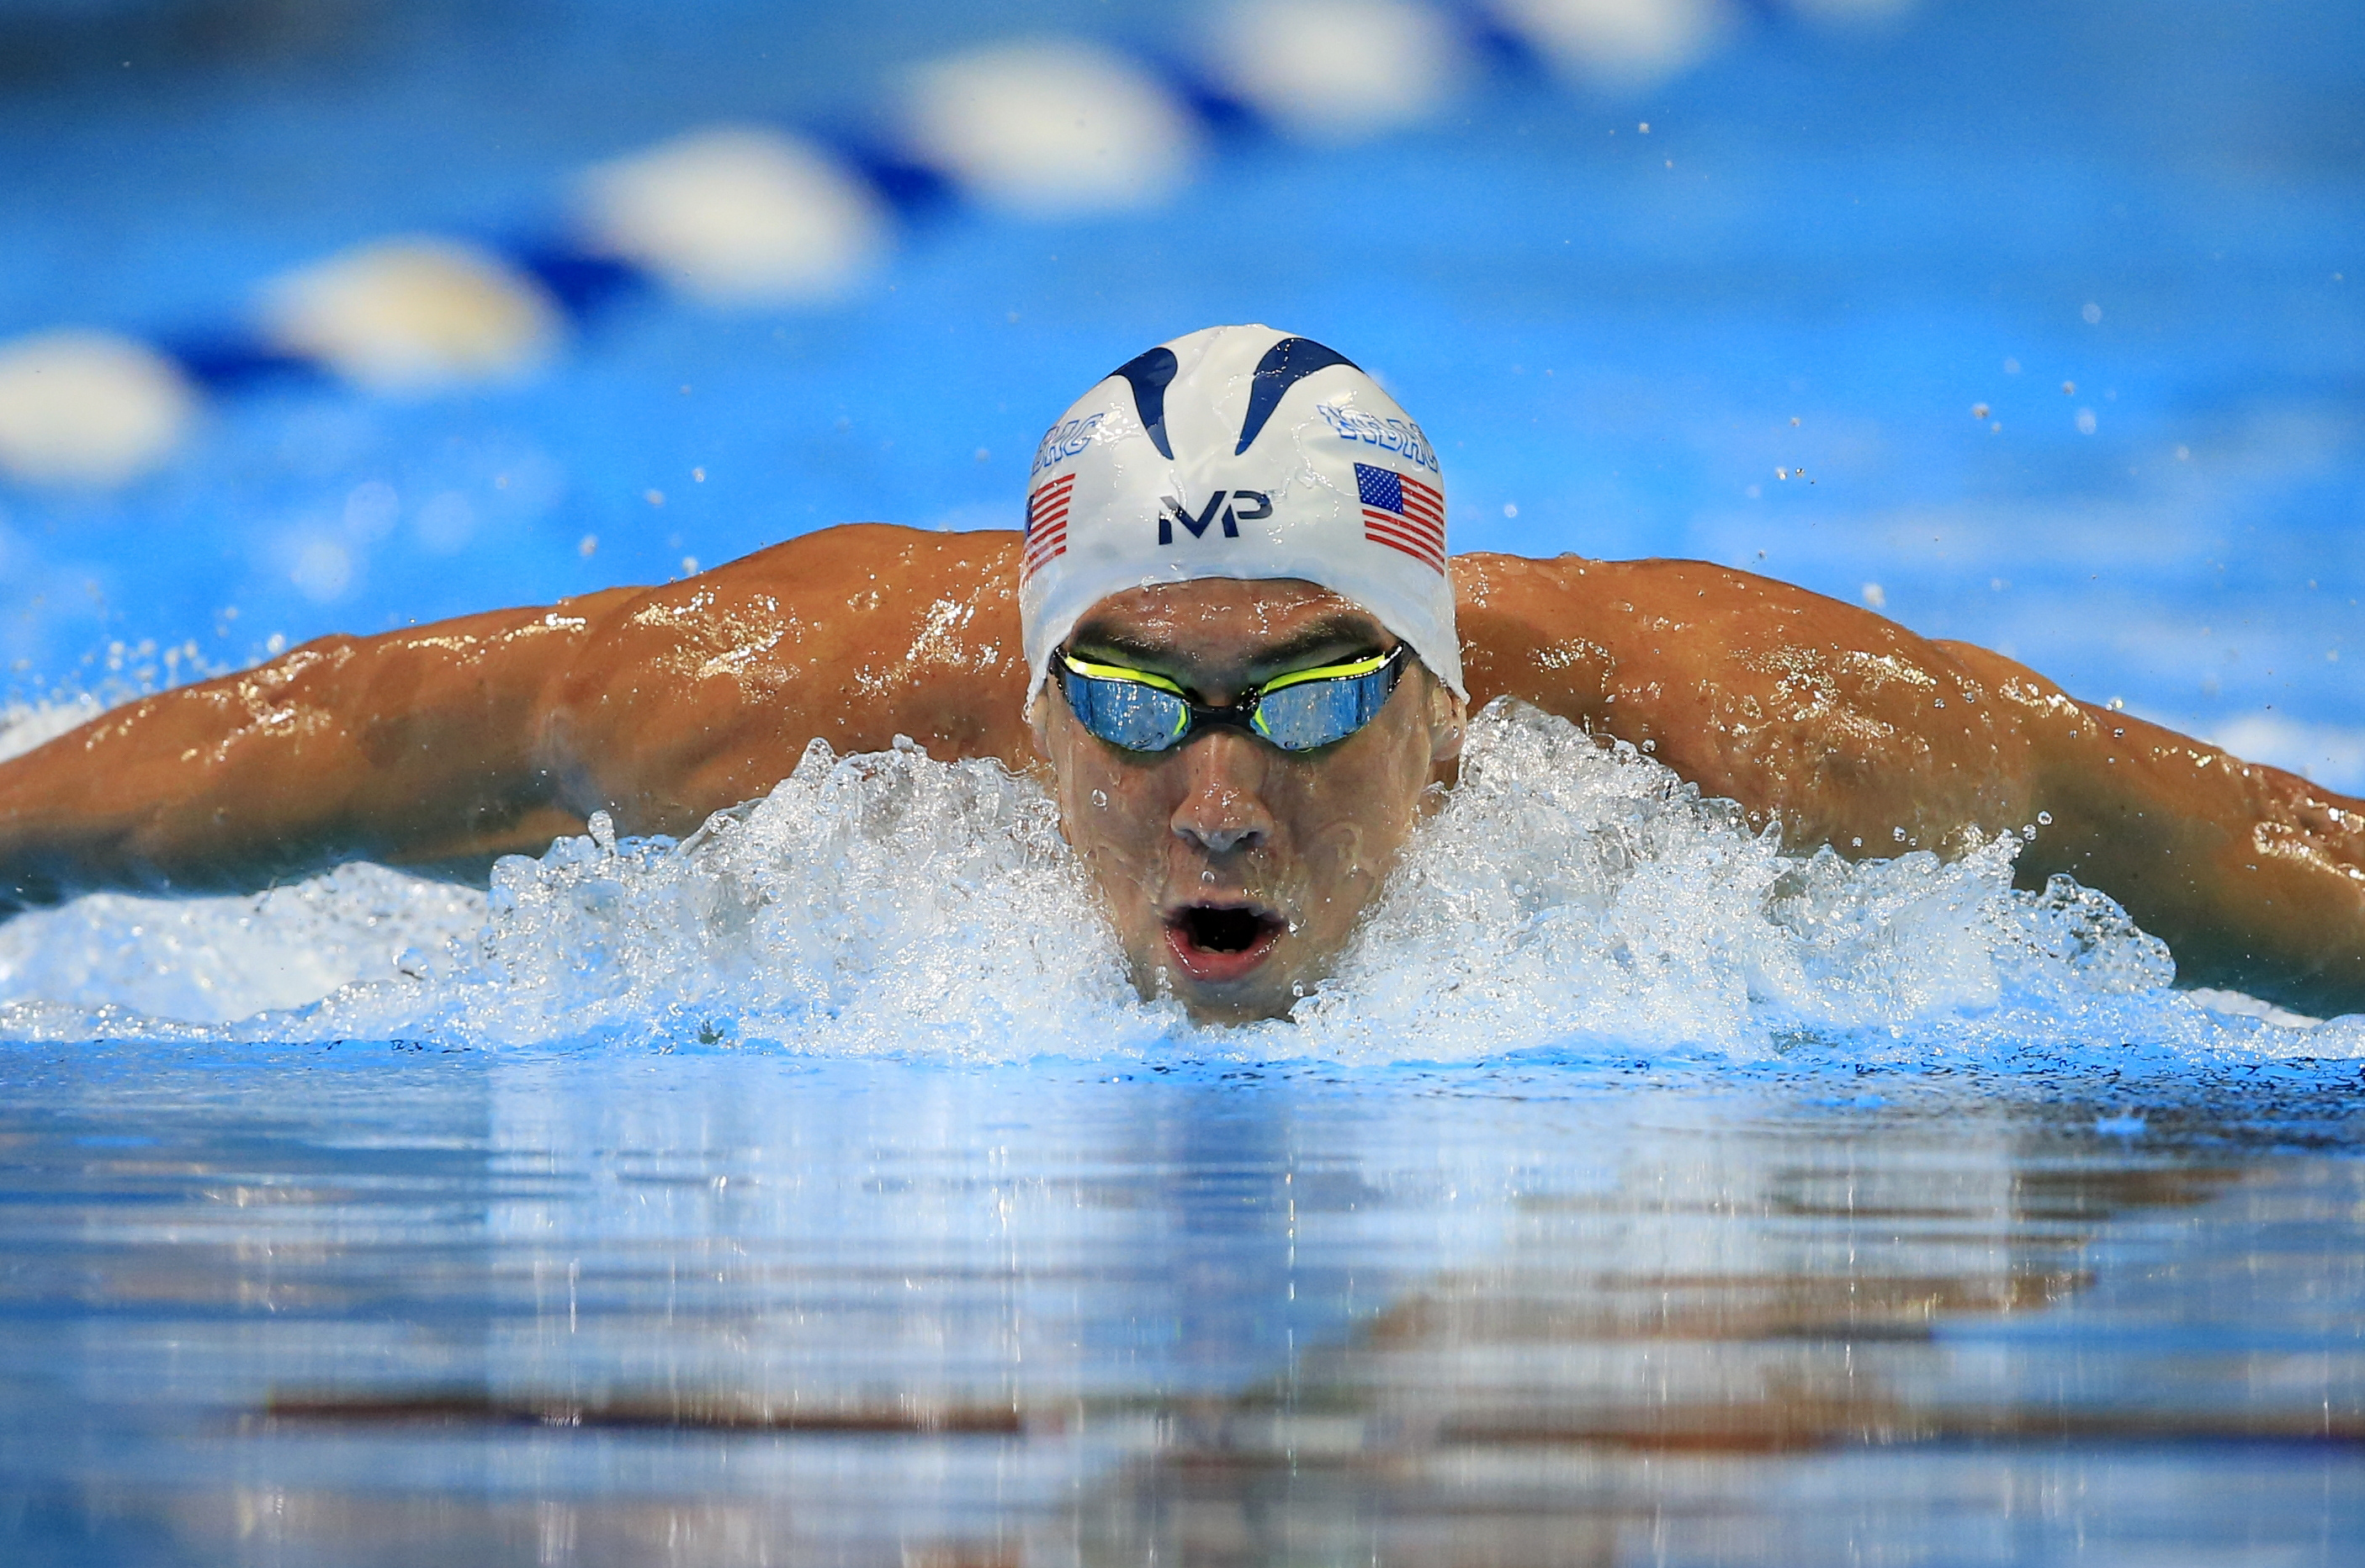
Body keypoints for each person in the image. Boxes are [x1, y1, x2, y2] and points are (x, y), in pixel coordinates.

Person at [1, 325, 2359, 1020]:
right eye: (1132, 701)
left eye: (1318, 695)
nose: (1216, 796)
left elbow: (2253, 848)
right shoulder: (778, 698)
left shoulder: (1763, 736)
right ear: (1022, 709)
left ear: (1453, 713)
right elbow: (300, 734)